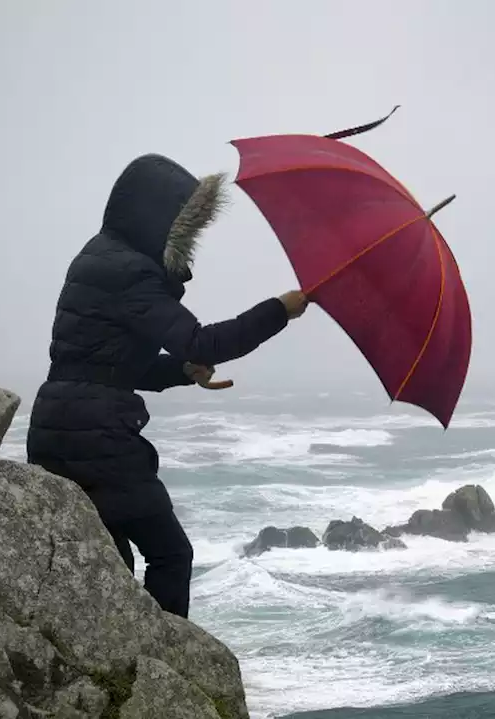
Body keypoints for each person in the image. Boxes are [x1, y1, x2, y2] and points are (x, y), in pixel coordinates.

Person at [26, 153, 308, 619]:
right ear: (156, 217)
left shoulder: (97, 257)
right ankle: (167, 660)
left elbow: (104, 367)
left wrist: (180, 372)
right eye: (183, 225)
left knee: (113, 567)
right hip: (97, 442)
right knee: (171, 554)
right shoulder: (129, 272)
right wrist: (279, 310)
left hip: (59, 428)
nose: (187, 240)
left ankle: (118, 664)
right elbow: (201, 340)